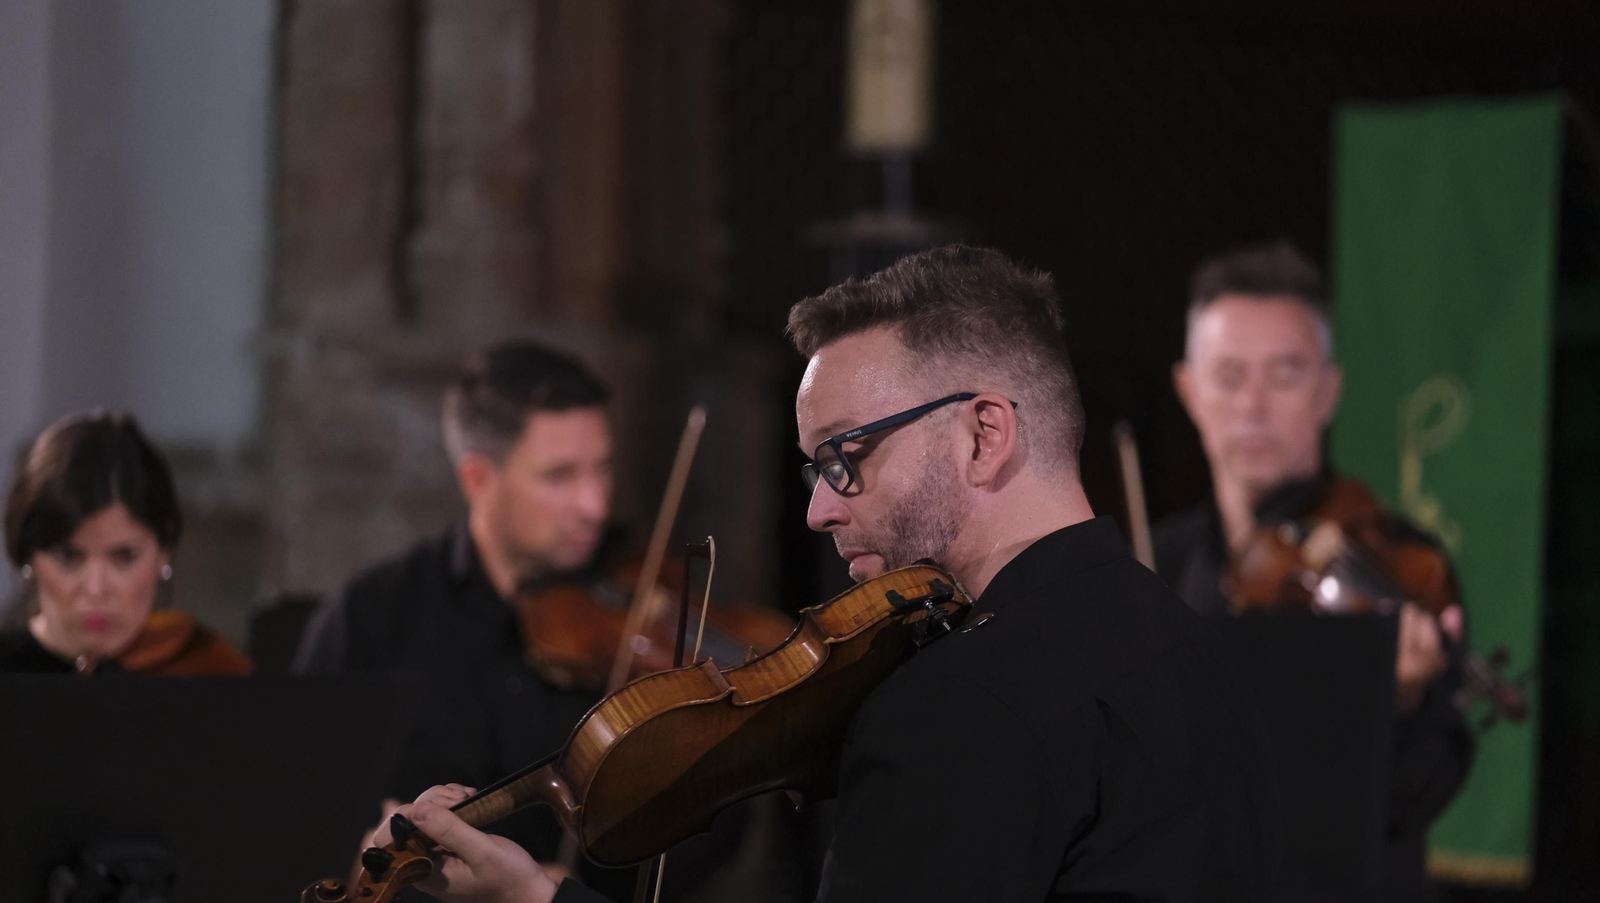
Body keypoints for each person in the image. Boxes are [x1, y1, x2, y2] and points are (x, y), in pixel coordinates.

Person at [371, 245, 1279, 903]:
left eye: (846, 456)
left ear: (983, 433)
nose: (818, 509)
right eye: (814, 467)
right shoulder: (1193, 648)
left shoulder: (954, 704)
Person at [294, 341, 762, 900]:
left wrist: (571, 892)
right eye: (560, 476)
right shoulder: (371, 617)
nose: (594, 505)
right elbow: (305, 816)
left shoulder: (640, 592)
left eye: (602, 468)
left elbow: (714, 820)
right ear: (478, 479)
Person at [1154, 242, 1474, 897]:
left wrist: (1401, 701)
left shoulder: (1400, 564)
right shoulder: (1151, 566)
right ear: (1188, 390)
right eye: (1229, 376)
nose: (1253, 405)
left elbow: (1420, 797)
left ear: (1329, 390)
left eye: (1285, 374)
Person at [0, 410, 250, 675]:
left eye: (124, 556)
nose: (96, 589)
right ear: (28, 555)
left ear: (163, 553)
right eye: (68, 557)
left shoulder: (207, 668)